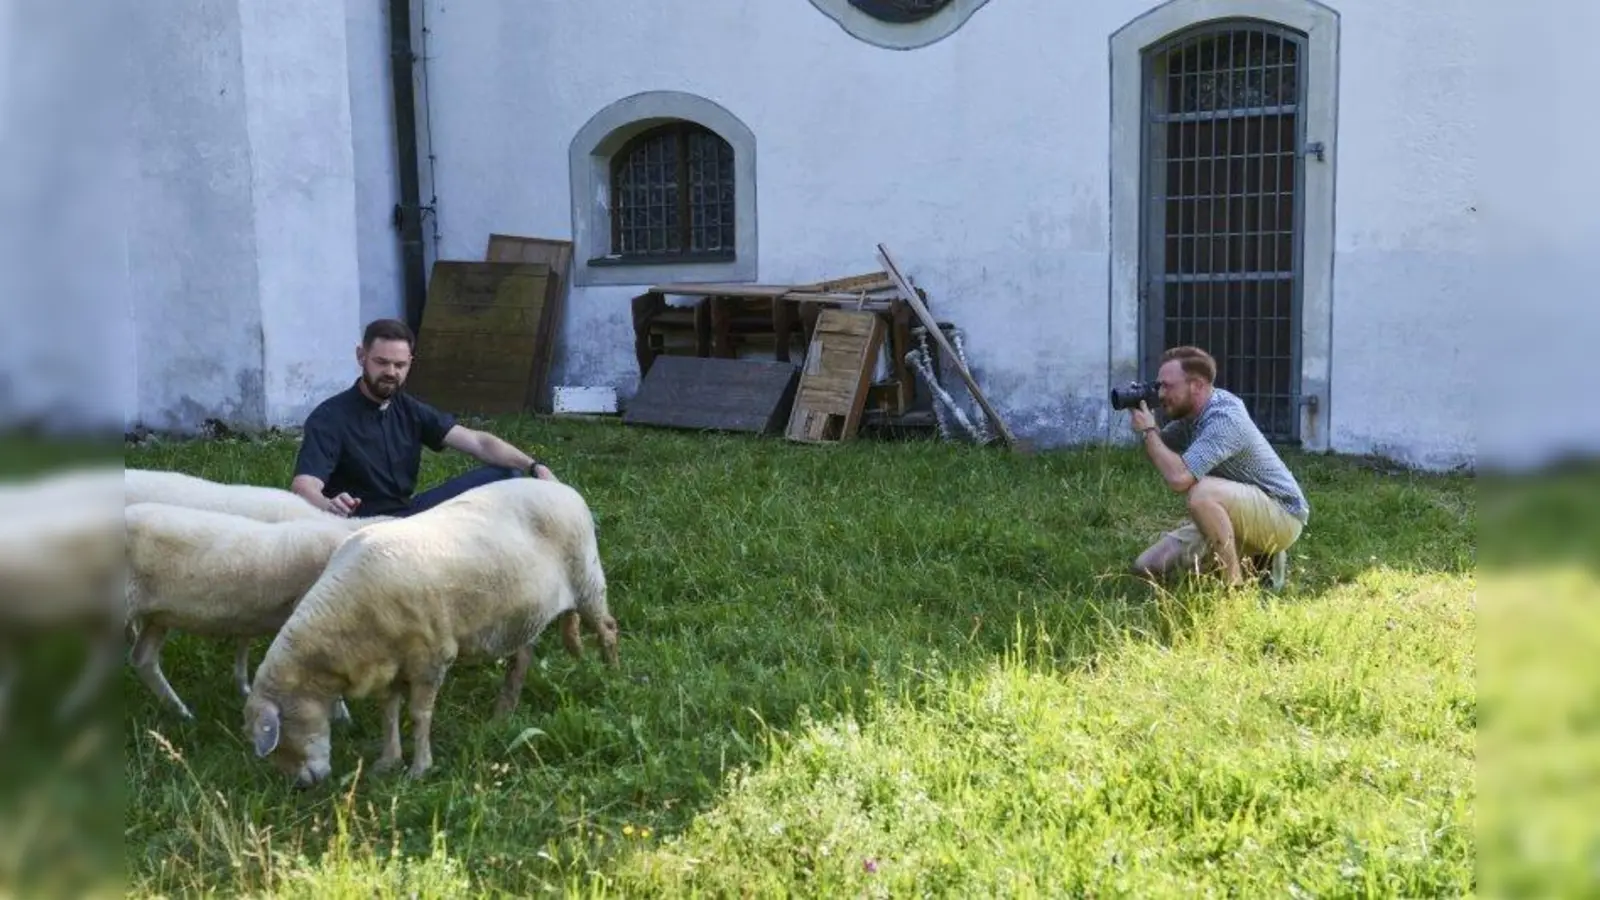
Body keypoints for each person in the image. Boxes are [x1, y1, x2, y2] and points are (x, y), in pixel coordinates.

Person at [289, 318, 556, 519]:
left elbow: (478, 443)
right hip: (360, 527)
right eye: (381, 362)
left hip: (411, 517)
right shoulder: (330, 417)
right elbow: (304, 485)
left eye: (400, 365)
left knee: (507, 475)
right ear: (362, 356)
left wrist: (534, 467)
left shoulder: (409, 409)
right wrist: (330, 506)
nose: (391, 372)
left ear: (410, 363)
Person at [1128, 345, 1310, 588]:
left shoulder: (1224, 418)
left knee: (1201, 493)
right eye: (1158, 386)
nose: (1160, 394)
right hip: (1241, 510)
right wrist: (1144, 419)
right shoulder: (1192, 416)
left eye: (1167, 386)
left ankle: (1234, 587)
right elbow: (1162, 449)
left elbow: (1179, 478)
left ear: (1197, 386)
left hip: (1283, 513)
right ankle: (1256, 561)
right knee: (1147, 566)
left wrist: (1149, 430)